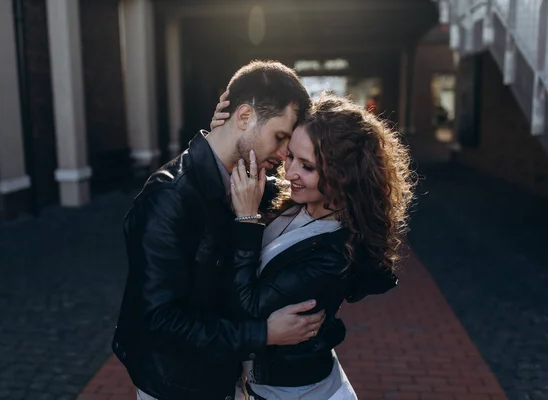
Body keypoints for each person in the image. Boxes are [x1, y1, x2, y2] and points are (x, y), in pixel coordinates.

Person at [112, 60, 326, 400]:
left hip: (222, 374)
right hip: (176, 386)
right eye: (280, 137)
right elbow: (157, 323)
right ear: (243, 117)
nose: (285, 153)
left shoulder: (250, 183)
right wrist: (262, 334)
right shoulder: (169, 198)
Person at [210, 92, 414, 399]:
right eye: (291, 155)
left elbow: (247, 309)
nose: (290, 172)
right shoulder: (295, 200)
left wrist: (248, 221)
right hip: (261, 384)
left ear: (342, 176)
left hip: (293, 392)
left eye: (307, 166)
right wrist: (223, 135)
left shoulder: (335, 254)